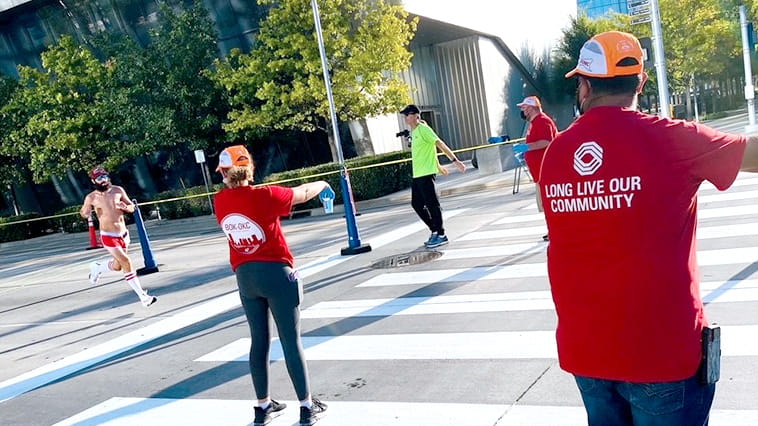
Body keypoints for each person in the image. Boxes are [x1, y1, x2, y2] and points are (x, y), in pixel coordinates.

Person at [539, 30, 758, 425]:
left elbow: (551, 214)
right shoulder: (674, 140)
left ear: (585, 86)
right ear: (640, 82)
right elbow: (753, 154)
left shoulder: (557, 153)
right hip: (662, 355)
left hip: (587, 352)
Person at [213, 145, 329, 426]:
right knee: (290, 340)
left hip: (245, 277)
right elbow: (301, 194)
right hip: (277, 273)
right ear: (250, 169)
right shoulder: (266, 195)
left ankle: (263, 406)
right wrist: (323, 182)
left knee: (258, 341)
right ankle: (306, 406)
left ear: (224, 174)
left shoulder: (220, 201)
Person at [80, 167, 157, 307]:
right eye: (99, 178)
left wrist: (126, 208)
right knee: (126, 261)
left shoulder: (118, 190)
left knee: (117, 266)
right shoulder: (91, 197)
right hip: (108, 235)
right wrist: (86, 213)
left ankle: (97, 268)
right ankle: (143, 297)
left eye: (105, 177)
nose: (103, 181)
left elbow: (132, 207)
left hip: (123, 234)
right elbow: (84, 212)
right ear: (93, 181)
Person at [400, 104, 466, 248]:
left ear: (416, 116)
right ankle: (434, 230)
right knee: (416, 204)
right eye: (404, 115)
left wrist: (455, 161)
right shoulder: (415, 132)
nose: (405, 117)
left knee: (432, 204)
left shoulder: (424, 129)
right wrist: (439, 166)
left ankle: (441, 234)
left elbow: (439, 144)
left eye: (407, 114)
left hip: (425, 174)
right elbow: (429, 150)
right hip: (417, 174)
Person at [512, 95, 558, 241]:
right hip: (539, 172)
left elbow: (546, 141)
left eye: (524, 107)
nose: (522, 110)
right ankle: (552, 230)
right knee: (545, 204)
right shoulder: (534, 123)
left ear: (531, 108)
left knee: (550, 203)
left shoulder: (543, 122)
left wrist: (527, 147)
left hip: (546, 171)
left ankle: (555, 231)